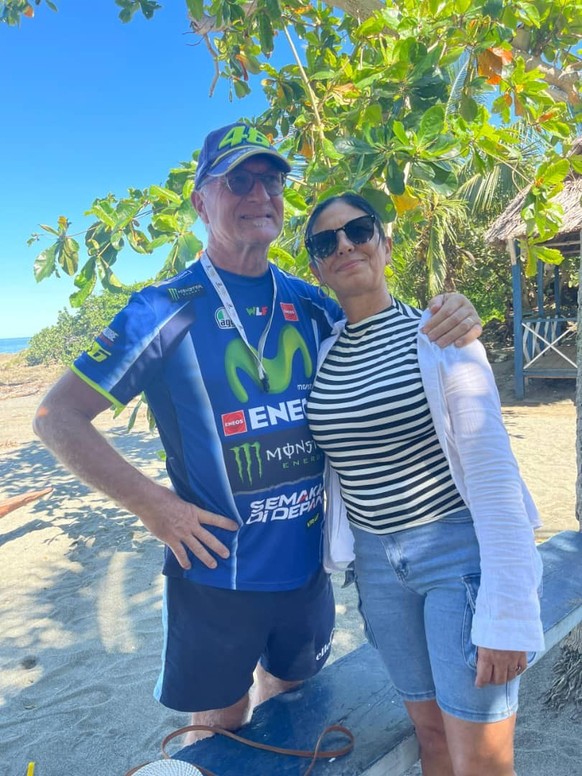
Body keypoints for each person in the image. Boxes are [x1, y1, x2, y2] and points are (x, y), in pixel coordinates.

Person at [32, 124, 482, 737]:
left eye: (270, 180)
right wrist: (155, 508)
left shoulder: (313, 301)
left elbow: (386, 326)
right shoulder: (161, 308)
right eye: (237, 180)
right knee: (217, 722)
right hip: (216, 570)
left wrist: (452, 310)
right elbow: (57, 417)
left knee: (294, 706)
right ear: (199, 202)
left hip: (306, 564)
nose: (258, 194)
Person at [303, 192, 544, 776]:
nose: (344, 245)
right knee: (432, 739)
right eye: (324, 241)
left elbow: (493, 470)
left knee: (481, 759)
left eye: (358, 230)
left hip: (455, 557)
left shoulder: (439, 335)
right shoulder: (322, 350)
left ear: (385, 244)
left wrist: (509, 610)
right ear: (315, 267)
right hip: (376, 567)